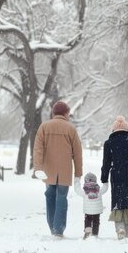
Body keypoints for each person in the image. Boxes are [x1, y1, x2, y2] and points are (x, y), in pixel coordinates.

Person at [33, 101, 83, 238]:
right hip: (64, 172)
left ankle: (52, 227)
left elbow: (38, 149)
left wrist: (37, 167)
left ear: (53, 113)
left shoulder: (44, 127)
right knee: (61, 198)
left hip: (48, 170)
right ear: (66, 113)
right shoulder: (70, 129)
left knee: (50, 196)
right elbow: (77, 153)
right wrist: (78, 174)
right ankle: (58, 230)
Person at [101, 116, 128, 240]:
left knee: (118, 203)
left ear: (113, 130)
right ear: (127, 129)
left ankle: (120, 228)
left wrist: (104, 178)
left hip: (117, 175)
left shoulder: (109, 143)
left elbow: (106, 163)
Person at [74, 172, 109, 239]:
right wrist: (105, 181)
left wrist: (77, 180)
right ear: (95, 180)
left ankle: (88, 231)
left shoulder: (85, 191)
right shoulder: (98, 190)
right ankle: (95, 234)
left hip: (88, 210)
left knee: (88, 219)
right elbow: (105, 188)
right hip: (97, 210)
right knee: (96, 220)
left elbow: (77, 189)